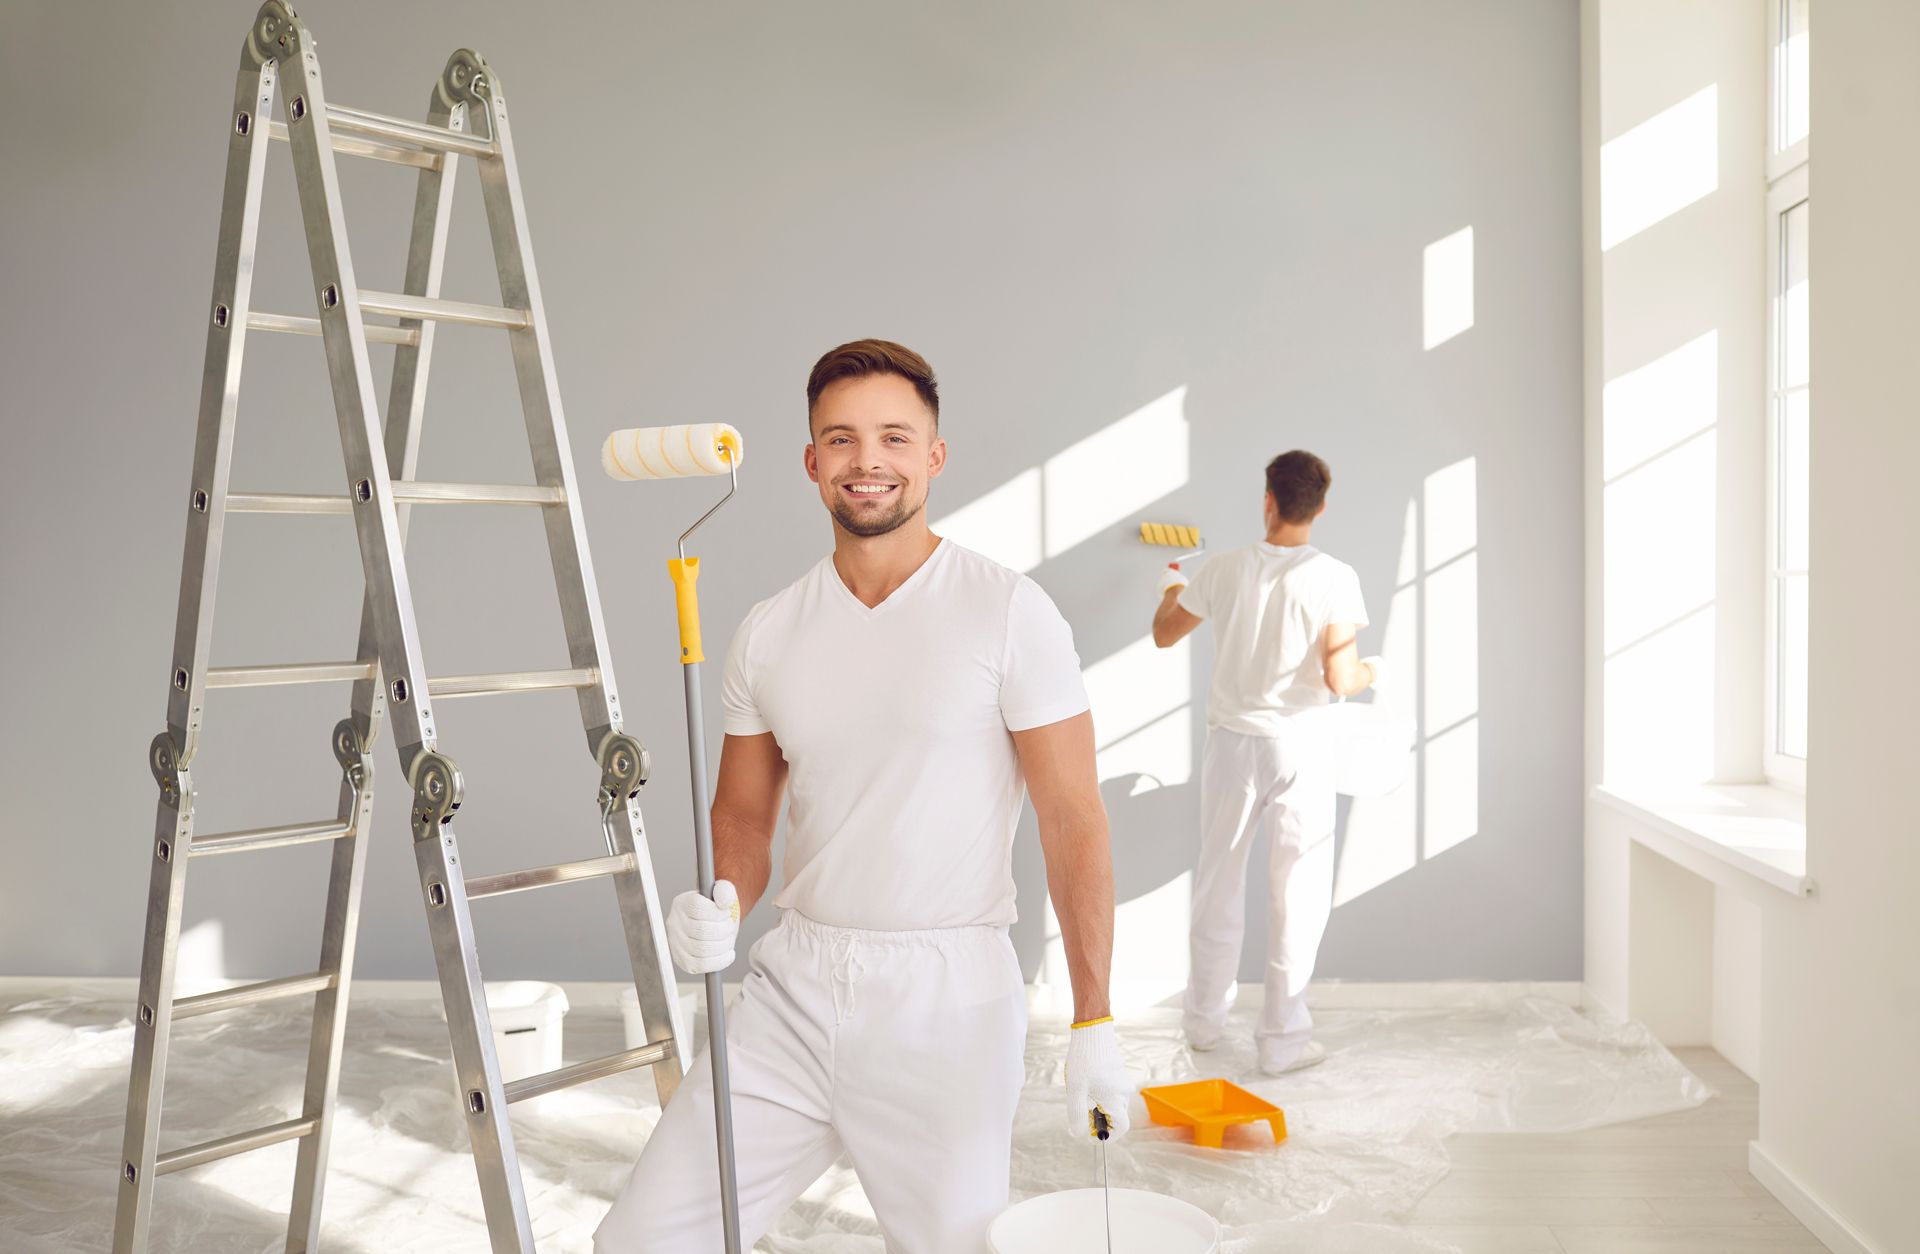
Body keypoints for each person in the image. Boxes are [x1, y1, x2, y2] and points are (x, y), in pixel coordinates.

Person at [596, 340, 1130, 1254]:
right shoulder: (769, 630)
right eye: (841, 439)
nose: (866, 460)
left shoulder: (1007, 612)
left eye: (894, 437)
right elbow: (744, 815)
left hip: (945, 1004)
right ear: (812, 462)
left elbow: (1072, 818)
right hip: (794, 990)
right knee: (642, 1242)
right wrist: (725, 898)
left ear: (935, 456)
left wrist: (1095, 1019)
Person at [1149, 449, 1380, 1075]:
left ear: (1269, 501)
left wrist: (1172, 585)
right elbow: (1341, 677)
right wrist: (1372, 670)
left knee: (1217, 884)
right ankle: (1282, 1043)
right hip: (1300, 748)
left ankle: (1202, 1025)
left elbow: (1165, 631)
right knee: (1297, 896)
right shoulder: (1334, 576)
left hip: (1232, 747)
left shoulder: (1223, 569)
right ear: (1320, 508)